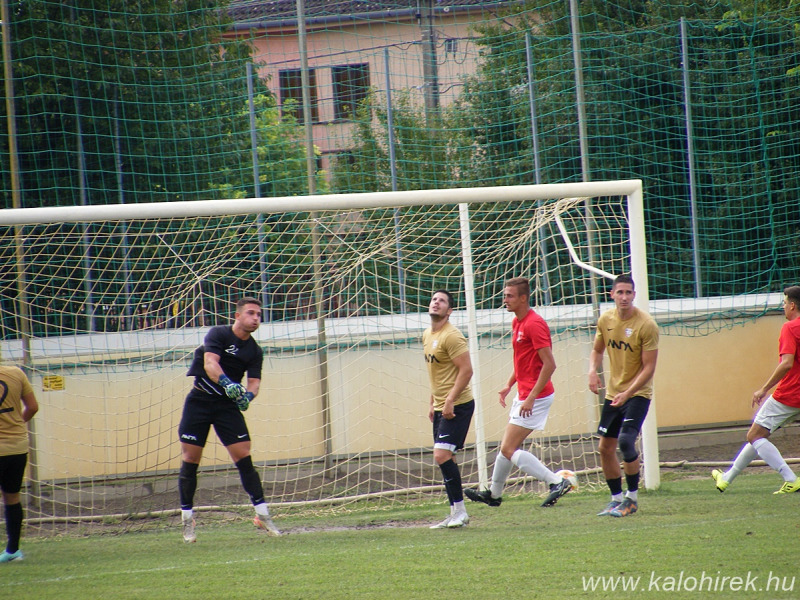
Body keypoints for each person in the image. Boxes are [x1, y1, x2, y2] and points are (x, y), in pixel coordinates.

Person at [465, 277, 573, 510]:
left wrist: (532, 397)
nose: (505, 299)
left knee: (508, 448)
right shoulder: (517, 322)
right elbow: (524, 361)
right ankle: (493, 494)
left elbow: (549, 364)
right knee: (507, 447)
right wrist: (509, 384)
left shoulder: (534, 324)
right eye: (505, 295)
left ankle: (556, 481)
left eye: (510, 296)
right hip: (524, 394)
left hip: (537, 396)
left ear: (523, 298)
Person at [177, 297, 280, 542]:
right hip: (200, 402)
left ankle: (262, 515)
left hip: (227, 408)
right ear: (238, 315)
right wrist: (226, 382)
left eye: (259, 314)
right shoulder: (219, 334)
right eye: (251, 313)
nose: (256, 318)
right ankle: (187, 520)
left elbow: (254, 383)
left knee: (244, 456)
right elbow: (210, 363)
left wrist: (248, 397)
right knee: (191, 459)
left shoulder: (254, 350)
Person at [712, 286, 800, 494]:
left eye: (785, 303)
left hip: (791, 393)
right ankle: (727, 478)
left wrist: (763, 389)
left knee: (755, 435)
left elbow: (786, 363)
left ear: (793, 305)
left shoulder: (790, 328)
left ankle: (790, 478)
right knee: (759, 435)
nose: (783, 307)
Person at [588, 274, 659, 518]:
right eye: (620, 292)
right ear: (612, 295)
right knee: (605, 448)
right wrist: (592, 372)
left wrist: (628, 392)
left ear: (634, 295)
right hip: (613, 394)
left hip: (638, 394)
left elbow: (649, 368)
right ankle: (615, 499)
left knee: (626, 442)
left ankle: (632, 499)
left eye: (629, 292)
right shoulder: (606, 319)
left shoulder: (646, 324)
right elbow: (597, 350)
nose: (624, 297)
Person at [423, 290, 475, 528]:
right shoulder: (427, 334)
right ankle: (456, 513)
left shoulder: (452, 336)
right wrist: (433, 401)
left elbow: (466, 371)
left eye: (441, 301)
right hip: (441, 405)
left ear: (449, 310)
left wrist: (450, 400)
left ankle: (460, 512)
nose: (436, 302)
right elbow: (438, 374)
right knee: (446, 458)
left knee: (441, 455)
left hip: (458, 405)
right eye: (434, 299)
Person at [0, 364, 39, 563]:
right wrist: (17, 424)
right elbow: (33, 407)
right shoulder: (16, 373)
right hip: (17, 446)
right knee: (12, 497)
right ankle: (13, 550)